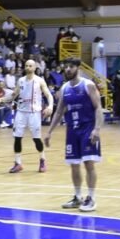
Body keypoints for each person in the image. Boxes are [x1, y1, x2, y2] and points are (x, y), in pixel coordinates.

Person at [44, 58, 105, 213]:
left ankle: (91, 197)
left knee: (89, 164)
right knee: (74, 165)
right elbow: (59, 111)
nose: (68, 69)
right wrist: (49, 132)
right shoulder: (65, 88)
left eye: (71, 67)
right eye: (66, 67)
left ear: (78, 68)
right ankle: (78, 196)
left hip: (88, 128)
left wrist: (97, 129)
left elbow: (98, 108)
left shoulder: (88, 85)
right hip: (72, 130)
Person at [4, 59, 53, 174]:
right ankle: (18, 163)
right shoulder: (20, 81)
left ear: (35, 67)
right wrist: (2, 99)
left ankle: (42, 159)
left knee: (36, 139)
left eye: (30, 66)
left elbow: (48, 95)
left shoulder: (40, 81)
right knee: (17, 137)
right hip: (21, 112)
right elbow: (13, 95)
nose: (27, 67)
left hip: (34, 113)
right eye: (26, 65)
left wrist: (50, 106)